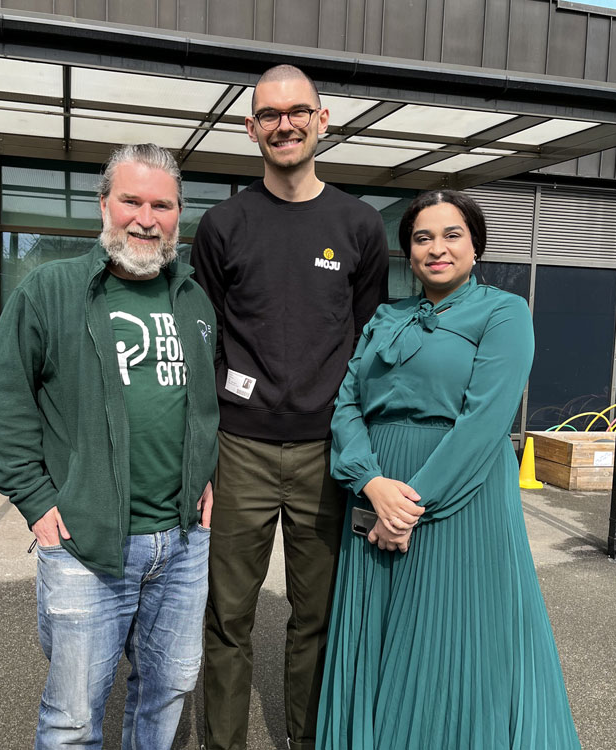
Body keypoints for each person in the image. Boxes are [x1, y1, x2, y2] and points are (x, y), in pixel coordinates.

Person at [316, 189, 581, 749]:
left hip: (459, 493)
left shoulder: (505, 312)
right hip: (377, 489)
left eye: (451, 234)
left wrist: (408, 505)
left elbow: (485, 420)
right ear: (408, 252)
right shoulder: (386, 315)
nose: (437, 248)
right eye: (422, 238)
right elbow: (346, 404)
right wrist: (370, 483)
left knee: (455, 637)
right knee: (378, 633)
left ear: (475, 245)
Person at [0, 143, 220, 750]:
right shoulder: (49, 291)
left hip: (183, 543)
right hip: (86, 540)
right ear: (104, 206)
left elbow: (200, 405)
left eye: (161, 205)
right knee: (73, 718)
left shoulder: (193, 299)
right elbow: (7, 408)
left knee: (166, 691)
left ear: (178, 213)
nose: (146, 218)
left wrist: (205, 476)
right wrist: (37, 503)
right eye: (131, 201)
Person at [191, 64, 389, 750]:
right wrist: (206, 456)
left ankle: (306, 739)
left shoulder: (360, 226)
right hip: (239, 448)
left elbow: (365, 343)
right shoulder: (222, 225)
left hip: (324, 450)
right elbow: (205, 342)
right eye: (270, 115)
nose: (285, 124)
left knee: (318, 617)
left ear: (322, 120)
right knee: (227, 618)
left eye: (297, 111)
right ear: (251, 129)